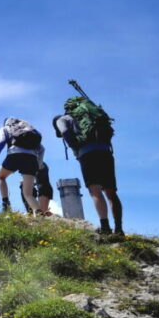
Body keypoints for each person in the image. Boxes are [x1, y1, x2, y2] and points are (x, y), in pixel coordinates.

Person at [54, 99, 124, 237]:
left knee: (95, 191)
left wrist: (75, 147)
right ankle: (119, 229)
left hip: (87, 153)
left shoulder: (62, 118)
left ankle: (105, 227)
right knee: (111, 192)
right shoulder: (92, 114)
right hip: (105, 152)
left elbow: (65, 131)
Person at [0, 118, 42, 213]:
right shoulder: (29, 129)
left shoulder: (6, 128)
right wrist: (38, 165)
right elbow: (41, 149)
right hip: (31, 159)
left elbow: (0, 142)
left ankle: (6, 204)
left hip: (14, 155)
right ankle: (39, 214)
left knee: (1, 177)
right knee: (28, 194)